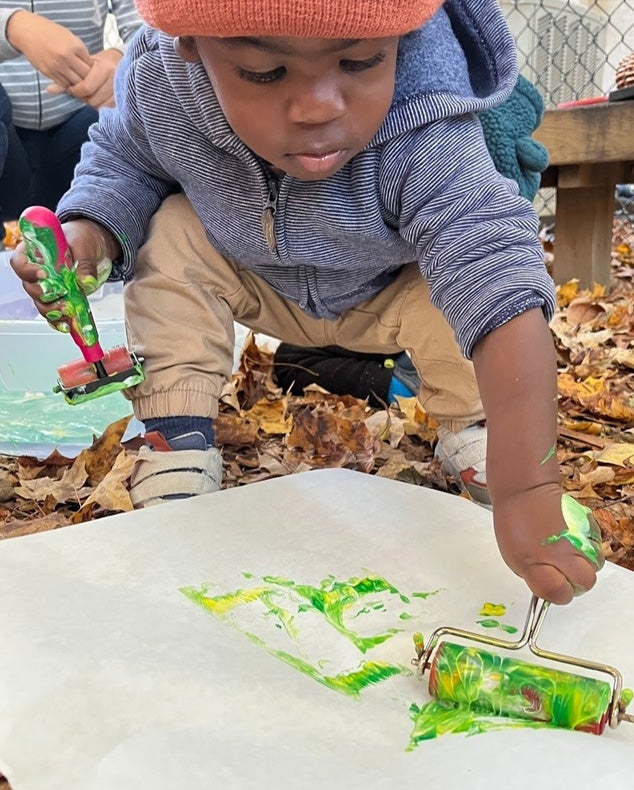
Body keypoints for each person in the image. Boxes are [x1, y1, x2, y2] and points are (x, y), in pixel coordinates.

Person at [10, 0, 603, 605]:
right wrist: (88, 235)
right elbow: (123, 163)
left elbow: (495, 273)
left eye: (360, 61)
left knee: (460, 279)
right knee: (173, 229)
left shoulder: (427, 120)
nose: (318, 105)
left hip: (388, 293)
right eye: (265, 74)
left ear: (405, 35)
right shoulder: (160, 85)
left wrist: (528, 486)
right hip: (255, 279)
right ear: (190, 42)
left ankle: (471, 426)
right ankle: (177, 434)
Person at [272, 72, 550, 508]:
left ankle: (470, 429)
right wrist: (388, 385)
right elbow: (289, 361)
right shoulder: (374, 201)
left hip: (426, 327)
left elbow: (484, 264)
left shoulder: (459, 263)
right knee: (297, 356)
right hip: (355, 313)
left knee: (466, 321)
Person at [0, 0, 142, 245]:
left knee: (141, 105)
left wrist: (124, 60)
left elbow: (153, 24)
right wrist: (10, 25)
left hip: (85, 120)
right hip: (7, 140)